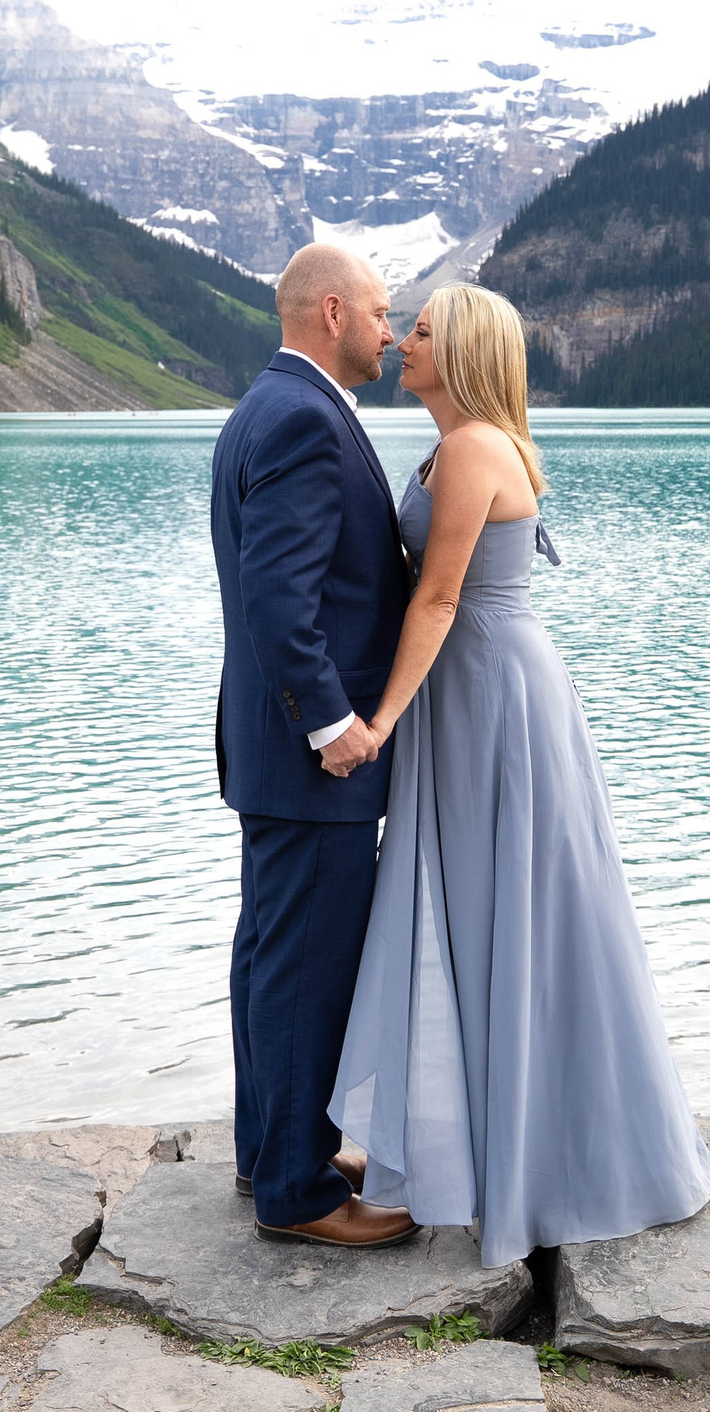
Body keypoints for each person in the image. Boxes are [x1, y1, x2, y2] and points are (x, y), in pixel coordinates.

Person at [328, 283, 710, 1268]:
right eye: (404, 327)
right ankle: (505, 1147)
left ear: (458, 353)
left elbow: (443, 596)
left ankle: (542, 1164)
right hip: (477, 693)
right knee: (496, 911)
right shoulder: (461, 443)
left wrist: (378, 721)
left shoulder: (469, 450)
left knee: (514, 911)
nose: (400, 342)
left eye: (419, 332)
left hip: (490, 699)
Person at [209, 243, 420, 1248]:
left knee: (268, 955)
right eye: (382, 313)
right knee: (302, 965)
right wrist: (334, 728)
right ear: (331, 311)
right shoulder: (301, 417)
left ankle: (272, 1149)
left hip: (270, 753)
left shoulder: (268, 404)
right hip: (308, 759)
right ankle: (297, 1191)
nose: (392, 331)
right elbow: (279, 600)